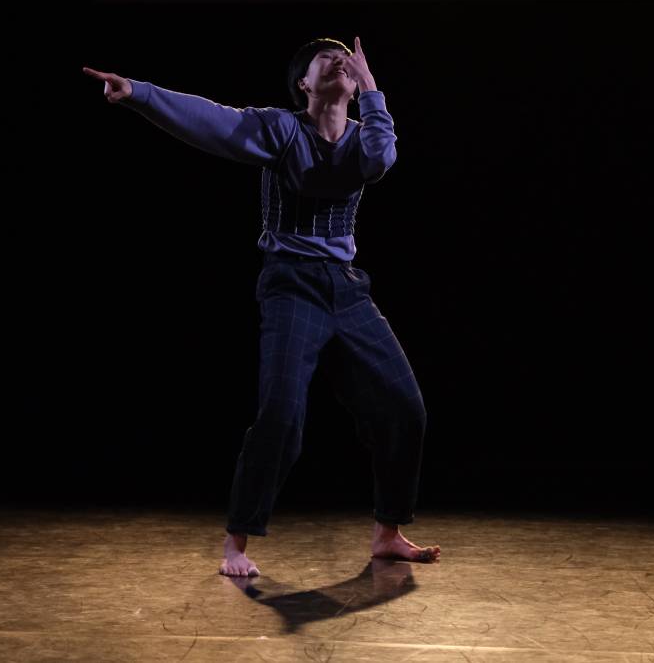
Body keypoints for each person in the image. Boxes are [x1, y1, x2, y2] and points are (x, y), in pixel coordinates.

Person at [82, 37, 439, 577]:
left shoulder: (365, 135)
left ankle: (388, 533)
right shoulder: (281, 129)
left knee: (404, 408)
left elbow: (379, 160)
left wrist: (372, 91)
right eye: (324, 56)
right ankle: (236, 543)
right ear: (303, 83)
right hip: (291, 284)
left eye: (343, 54)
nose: (337, 59)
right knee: (281, 414)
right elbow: (211, 120)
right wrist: (139, 94)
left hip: (346, 288)